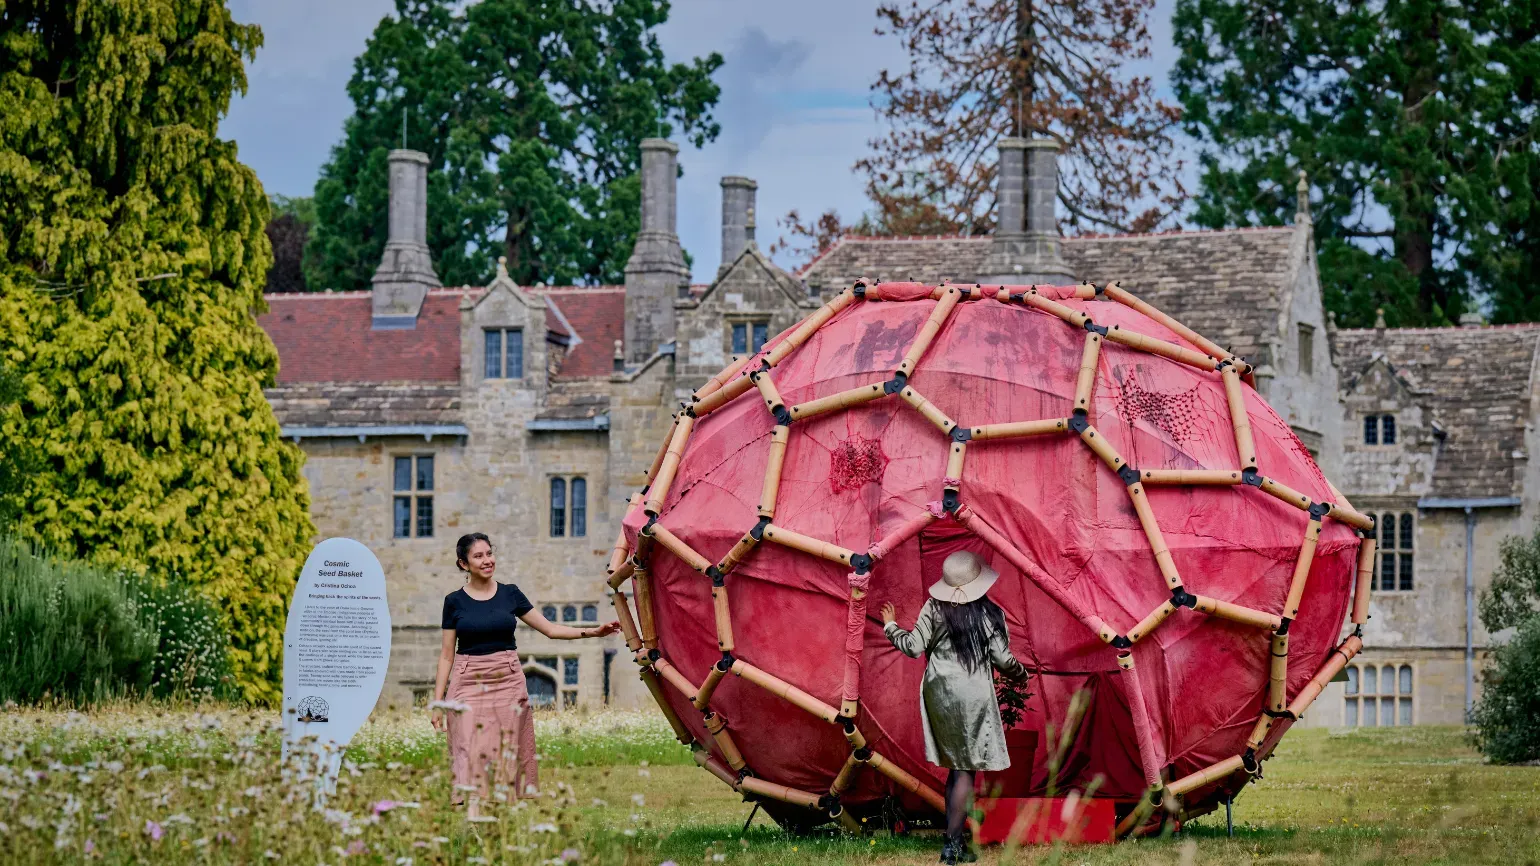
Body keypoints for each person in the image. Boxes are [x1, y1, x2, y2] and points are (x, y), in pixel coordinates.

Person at [431, 532, 620, 820]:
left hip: (507, 678)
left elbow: (550, 629)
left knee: (506, 748)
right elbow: (447, 654)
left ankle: (499, 819)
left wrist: (593, 631)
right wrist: (438, 701)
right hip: (468, 677)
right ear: (464, 564)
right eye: (478, 556)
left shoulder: (511, 593)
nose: (487, 560)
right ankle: (474, 815)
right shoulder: (454, 601)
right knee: (470, 745)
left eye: (489, 553)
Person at [882, 550, 1030, 865]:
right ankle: (951, 845)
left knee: (955, 766)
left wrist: (891, 626)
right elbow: (1004, 661)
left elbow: (912, 647)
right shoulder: (990, 613)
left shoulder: (933, 608)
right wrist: (1022, 674)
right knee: (965, 769)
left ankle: (956, 842)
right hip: (973, 695)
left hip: (940, 693)